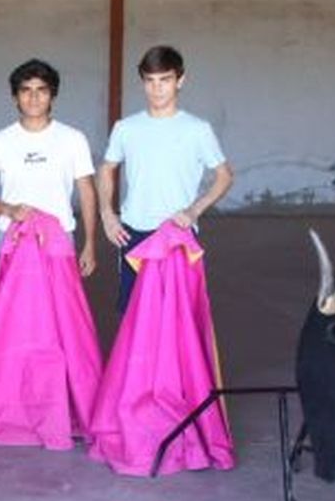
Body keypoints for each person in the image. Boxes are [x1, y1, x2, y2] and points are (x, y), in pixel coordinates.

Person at [97, 45, 234, 311]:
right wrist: (107, 214)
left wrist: (194, 211)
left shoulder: (197, 130)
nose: (157, 88)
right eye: (150, 81)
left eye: (165, 80)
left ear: (180, 80)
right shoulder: (126, 128)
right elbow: (106, 169)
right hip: (133, 233)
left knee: (177, 318)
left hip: (178, 233)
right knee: (134, 317)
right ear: (143, 83)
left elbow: (225, 176)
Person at [0, 58, 97, 278]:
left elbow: (87, 192)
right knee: (9, 311)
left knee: (58, 311)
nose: (33, 97)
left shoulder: (73, 139)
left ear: (52, 95)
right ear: (15, 96)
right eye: (25, 90)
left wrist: (90, 244)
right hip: (12, 239)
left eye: (41, 90)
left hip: (60, 239)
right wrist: (8, 210)